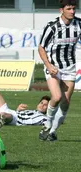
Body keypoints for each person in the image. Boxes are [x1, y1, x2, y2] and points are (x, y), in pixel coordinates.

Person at [38, 0, 79, 141]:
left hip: (69, 67)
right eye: (69, 9)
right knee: (56, 97)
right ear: (61, 10)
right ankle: (47, 124)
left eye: (74, 8)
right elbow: (41, 48)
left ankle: (53, 131)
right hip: (53, 67)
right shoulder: (52, 27)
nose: (72, 11)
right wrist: (49, 66)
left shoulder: (78, 24)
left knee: (66, 102)